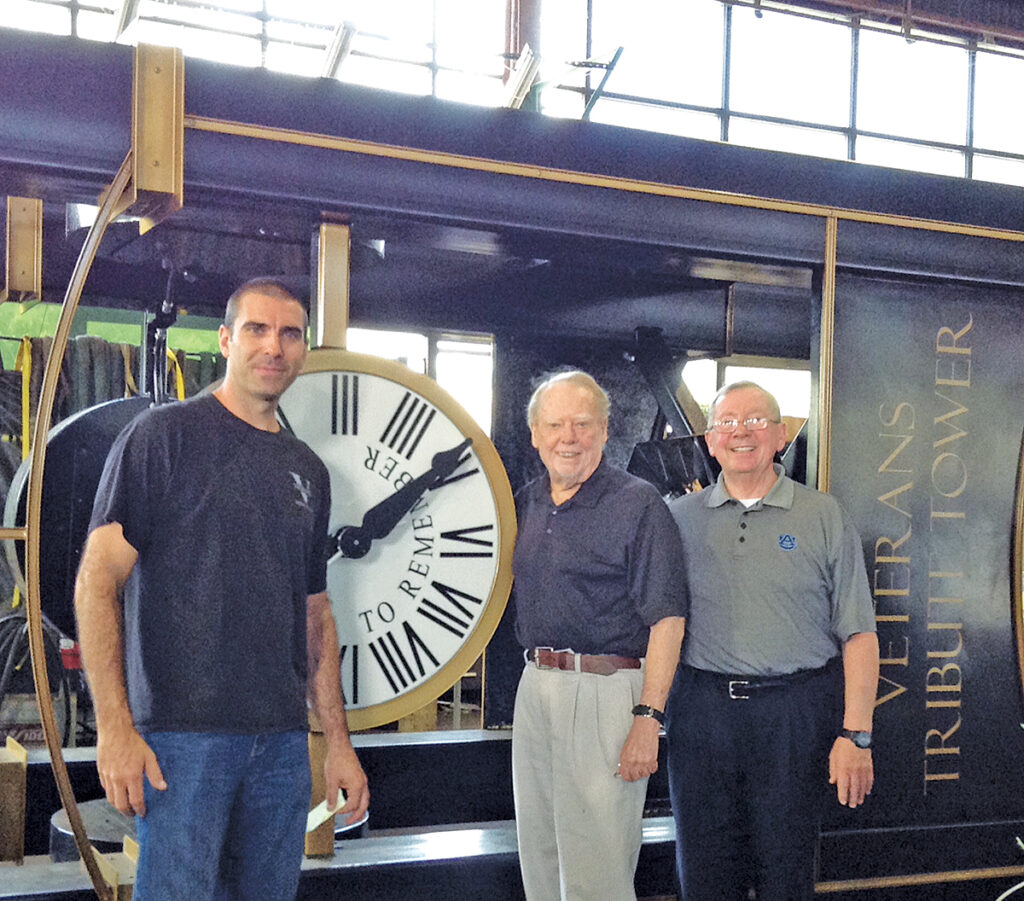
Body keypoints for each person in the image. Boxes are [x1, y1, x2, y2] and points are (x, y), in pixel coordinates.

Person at [74, 278, 369, 900]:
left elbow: (315, 615)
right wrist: (115, 729)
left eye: (290, 334)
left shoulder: (306, 470)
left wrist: (337, 745)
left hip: (283, 744)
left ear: (304, 350)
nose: (274, 347)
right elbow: (97, 583)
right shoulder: (164, 437)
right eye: (257, 330)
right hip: (183, 740)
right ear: (226, 339)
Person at [666, 380, 878, 901]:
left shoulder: (823, 515)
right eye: (727, 422)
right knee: (704, 875)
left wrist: (857, 736)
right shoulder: (676, 520)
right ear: (710, 441)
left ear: (781, 436)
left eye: (757, 420)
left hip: (795, 718)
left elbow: (859, 633)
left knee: (786, 875)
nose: (741, 432)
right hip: (701, 716)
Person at [511, 369, 688, 901]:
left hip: (606, 693)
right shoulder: (526, 500)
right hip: (535, 685)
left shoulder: (640, 504)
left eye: (583, 424)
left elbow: (668, 621)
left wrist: (647, 721)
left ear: (606, 431)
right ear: (536, 435)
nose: (570, 437)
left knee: (599, 868)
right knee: (539, 853)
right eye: (556, 425)